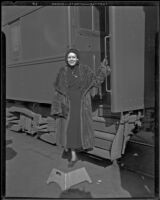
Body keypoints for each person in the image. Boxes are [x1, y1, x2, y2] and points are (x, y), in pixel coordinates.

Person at [51, 48, 110, 167]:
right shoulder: (62, 71)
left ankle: (80, 148)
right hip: (68, 104)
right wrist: (57, 107)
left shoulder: (85, 70)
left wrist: (103, 69)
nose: (71, 59)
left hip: (82, 104)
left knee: (79, 128)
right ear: (66, 59)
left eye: (73, 57)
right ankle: (73, 155)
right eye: (69, 57)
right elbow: (58, 91)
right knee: (70, 129)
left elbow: (96, 81)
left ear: (77, 58)